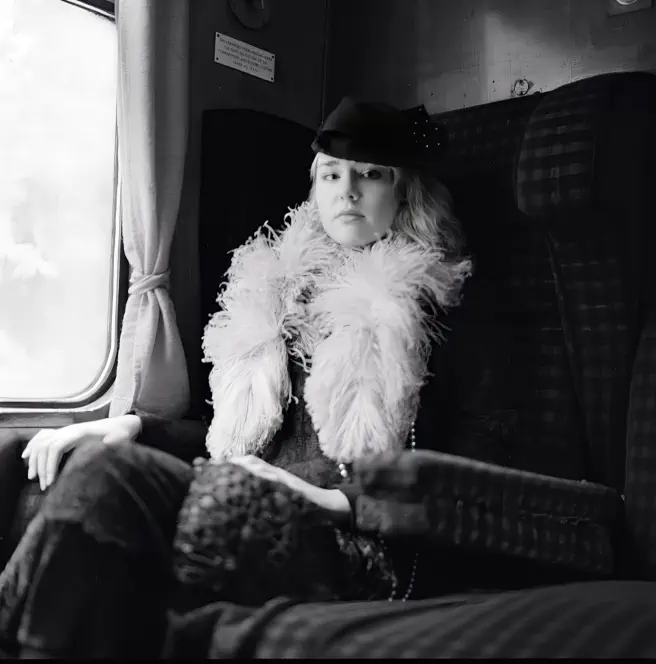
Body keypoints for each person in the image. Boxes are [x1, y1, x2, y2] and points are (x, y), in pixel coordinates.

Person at [0, 97, 472, 658]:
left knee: (114, 478)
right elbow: (237, 440)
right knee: (53, 469)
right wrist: (134, 427)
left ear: (403, 191)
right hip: (249, 495)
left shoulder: (433, 307)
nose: (347, 191)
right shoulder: (278, 296)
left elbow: (463, 478)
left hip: (352, 542)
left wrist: (328, 499)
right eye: (331, 175)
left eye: (370, 175)